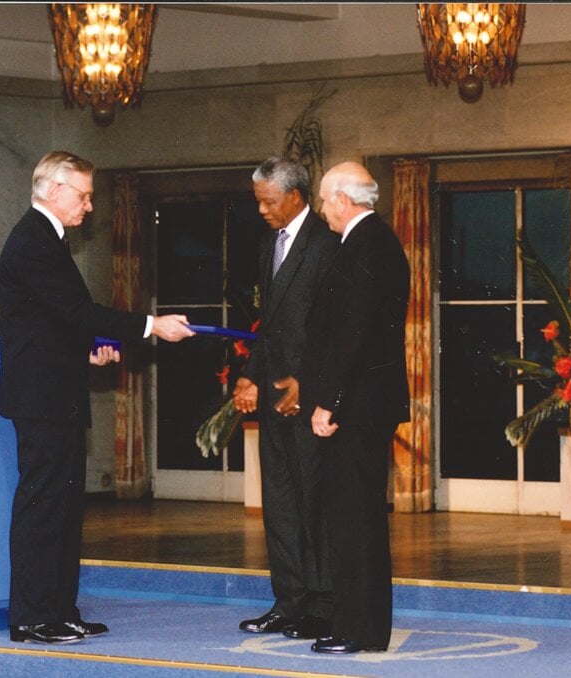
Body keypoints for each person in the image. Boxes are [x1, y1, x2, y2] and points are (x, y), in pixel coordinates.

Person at [0, 151, 194, 645]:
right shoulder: (33, 242)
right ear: (54, 191)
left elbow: (51, 322)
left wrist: (84, 355)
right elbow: (77, 311)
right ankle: (33, 617)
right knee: (44, 506)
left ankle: (59, 611)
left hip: (54, 389)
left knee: (63, 506)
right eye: (83, 196)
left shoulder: (48, 239)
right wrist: (151, 325)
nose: (89, 207)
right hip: (41, 399)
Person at [299, 162, 410, 654]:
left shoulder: (368, 245)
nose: (323, 211)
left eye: (324, 201)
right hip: (362, 404)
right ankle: (352, 622)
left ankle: (359, 630)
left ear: (343, 200)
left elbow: (354, 337)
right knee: (350, 517)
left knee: (355, 518)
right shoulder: (372, 242)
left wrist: (329, 403)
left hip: (356, 407)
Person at [232, 156, 339, 641]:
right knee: (279, 504)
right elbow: (269, 325)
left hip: (308, 400)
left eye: (267, 201)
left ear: (295, 196)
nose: (261, 210)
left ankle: (323, 605)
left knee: (316, 503)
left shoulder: (326, 245)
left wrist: (310, 385)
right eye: (258, 201)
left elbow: (331, 329)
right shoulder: (267, 244)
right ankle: (289, 602)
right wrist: (250, 376)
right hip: (273, 397)